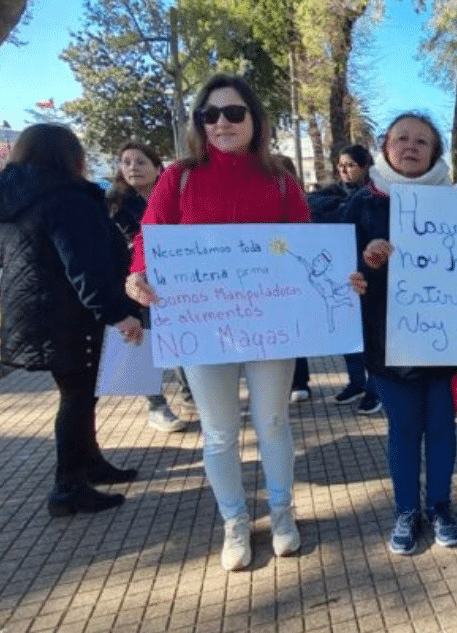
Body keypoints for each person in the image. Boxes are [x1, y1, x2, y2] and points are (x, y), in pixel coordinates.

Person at [125, 74, 311, 571]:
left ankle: (281, 513)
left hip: (269, 323)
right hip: (202, 325)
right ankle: (234, 521)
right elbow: (151, 237)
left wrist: (335, 279)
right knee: (219, 432)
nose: (222, 123)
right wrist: (137, 273)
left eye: (233, 113)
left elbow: (307, 245)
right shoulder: (178, 177)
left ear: (254, 119)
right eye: (210, 115)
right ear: (198, 123)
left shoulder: (279, 179)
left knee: (272, 423)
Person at [0, 123, 144, 518]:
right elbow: (83, 265)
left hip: (34, 312)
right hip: (68, 315)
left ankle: (87, 463)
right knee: (76, 396)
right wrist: (117, 314)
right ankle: (68, 485)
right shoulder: (68, 198)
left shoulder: (9, 198)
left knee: (77, 392)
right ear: (70, 156)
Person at [345, 112, 457, 556]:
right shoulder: (363, 203)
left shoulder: (455, 201)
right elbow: (338, 270)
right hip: (386, 344)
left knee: (442, 430)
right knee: (403, 430)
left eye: (422, 141)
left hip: (445, 340)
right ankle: (406, 510)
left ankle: (440, 506)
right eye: (401, 139)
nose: (410, 146)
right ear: (385, 146)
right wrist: (365, 265)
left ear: (435, 152)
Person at [105, 140, 193, 433]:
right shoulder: (113, 204)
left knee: (178, 338)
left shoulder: (178, 196)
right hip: (129, 283)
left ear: (157, 167)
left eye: (140, 162)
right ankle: (155, 405)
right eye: (126, 162)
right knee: (138, 338)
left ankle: (191, 393)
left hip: (174, 283)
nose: (133, 168)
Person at [299, 145, 382, 414]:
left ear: (365, 166)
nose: (343, 170)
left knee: (372, 335)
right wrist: (346, 204)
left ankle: (375, 389)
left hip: (371, 273)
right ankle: (356, 382)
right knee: (348, 333)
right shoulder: (334, 192)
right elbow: (309, 202)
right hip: (342, 272)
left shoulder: (376, 194)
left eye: (350, 165)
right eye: (340, 165)